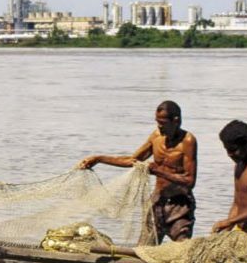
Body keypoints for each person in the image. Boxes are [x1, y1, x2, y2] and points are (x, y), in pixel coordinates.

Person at [78, 100, 197, 243]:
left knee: (182, 250)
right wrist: (99, 159)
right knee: (144, 249)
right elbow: (133, 160)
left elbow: (190, 181)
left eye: (163, 122)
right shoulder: (156, 136)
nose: (159, 126)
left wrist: (158, 171)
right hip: (157, 201)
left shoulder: (188, 141)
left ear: (176, 121)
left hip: (180, 205)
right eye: (157, 122)